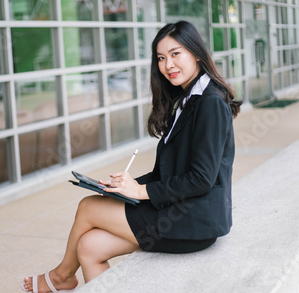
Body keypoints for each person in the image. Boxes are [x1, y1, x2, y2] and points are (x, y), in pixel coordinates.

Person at [22, 20, 241, 293]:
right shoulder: (187, 100)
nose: (168, 65)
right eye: (161, 58)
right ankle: (64, 277)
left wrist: (140, 191)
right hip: (178, 211)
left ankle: (61, 277)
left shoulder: (209, 102)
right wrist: (124, 187)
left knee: (88, 207)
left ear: (196, 53)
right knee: (89, 247)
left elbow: (201, 180)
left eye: (176, 54)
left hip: (194, 221)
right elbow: (167, 172)